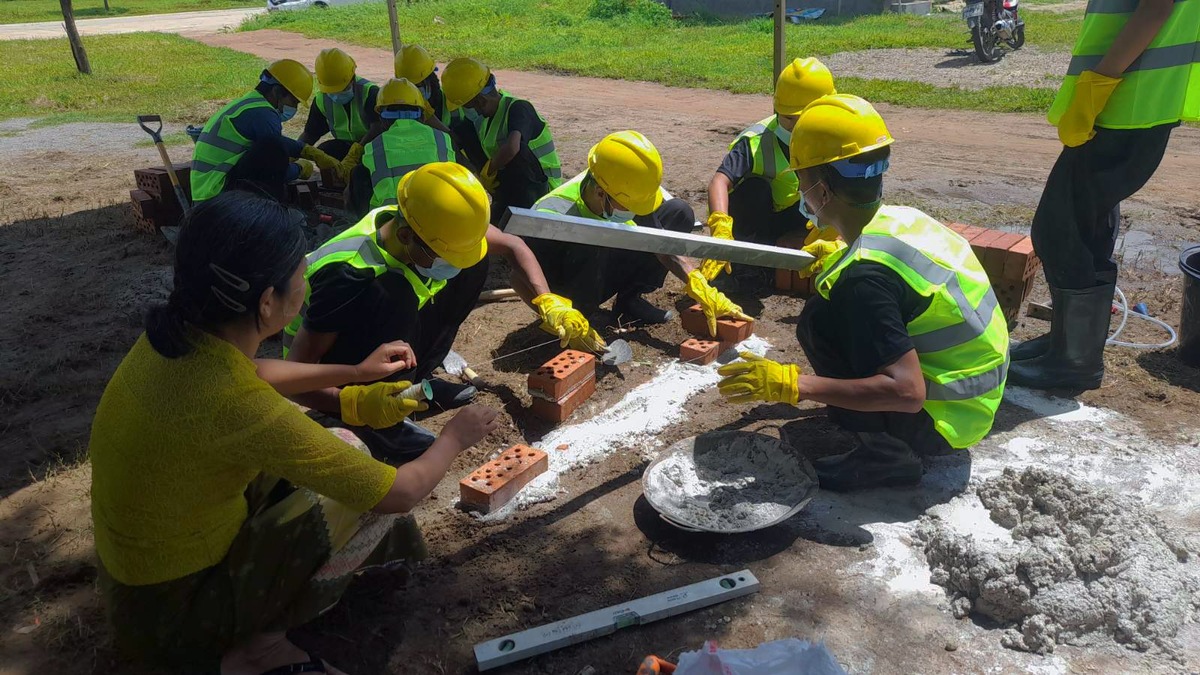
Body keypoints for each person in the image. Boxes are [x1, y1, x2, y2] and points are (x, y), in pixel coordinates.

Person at [89, 191, 499, 674]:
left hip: (139, 582)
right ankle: (258, 650)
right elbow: (399, 493)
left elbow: (256, 373)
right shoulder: (234, 404)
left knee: (345, 444)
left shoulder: (174, 339)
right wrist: (455, 437)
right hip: (174, 618)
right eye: (300, 276)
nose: (305, 283)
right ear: (268, 302)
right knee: (362, 494)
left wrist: (355, 378)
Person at [717, 95, 1009, 491]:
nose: (799, 188)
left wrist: (794, 385)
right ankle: (889, 435)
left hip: (942, 421)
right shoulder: (905, 219)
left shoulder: (864, 281)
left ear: (821, 189)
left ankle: (889, 455)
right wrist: (843, 252)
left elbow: (908, 393)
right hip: (975, 400)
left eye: (801, 178)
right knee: (832, 307)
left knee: (821, 321)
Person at [285, 162, 604, 460]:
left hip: (385, 325)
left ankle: (416, 386)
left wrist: (549, 303)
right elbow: (293, 376)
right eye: (445, 256)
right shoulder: (350, 274)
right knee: (395, 294)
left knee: (472, 265)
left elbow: (513, 245)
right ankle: (381, 423)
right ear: (406, 236)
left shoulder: (429, 225)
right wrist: (353, 404)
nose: (451, 263)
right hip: (335, 360)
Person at [1007, 0, 1197, 390]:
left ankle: (1073, 362)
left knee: (1059, 230)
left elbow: (1155, 8)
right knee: (1087, 226)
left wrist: (1100, 82)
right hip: (1138, 101)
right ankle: (1068, 345)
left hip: (1126, 100)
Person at [530, 130, 751, 332]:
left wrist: (699, 285)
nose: (635, 211)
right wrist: (551, 307)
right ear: (600, 193)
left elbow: (659, 242)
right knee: (591, 237)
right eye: (630, 206)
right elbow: (520, 273)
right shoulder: (552, 213)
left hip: (603, 267)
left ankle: (629, 301)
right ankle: (580, 317)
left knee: (678, 213)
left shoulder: (623, 185)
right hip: (565, 288)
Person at [699, 58, 838, 282]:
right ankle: (747, 263)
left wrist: (834, 233)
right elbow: (719, 182)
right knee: (755, 189)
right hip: (758, 219)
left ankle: (801, 245)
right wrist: (720, 227)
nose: (796, 126)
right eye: (789, 118)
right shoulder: (757, 141)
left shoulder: (834, 135)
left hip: (799, 214)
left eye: (805, 118)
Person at [191, 59, 348, 203]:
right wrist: (299, 168)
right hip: (219, 194)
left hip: (206, 191)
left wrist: (308, 151)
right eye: (294, 101)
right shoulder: (264, 114)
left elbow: (276, 144)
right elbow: (273, 169)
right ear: (277, 92)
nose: (294, 107)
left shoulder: (249, 104)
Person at [440, 57, 563, 220]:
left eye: (467, 106)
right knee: (464, 132)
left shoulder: (519, 108)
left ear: (481, 101)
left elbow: (513, 148)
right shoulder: (487, 121)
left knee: (516, 151)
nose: (467, 111)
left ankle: (518, 215)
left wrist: (488, 172)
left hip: (544, 192)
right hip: (518, 190)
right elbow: (455, 137)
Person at [348, 78, 455, 217]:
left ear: (382, 119)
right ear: (422, 116)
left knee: (358, 173)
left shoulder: (374, 147)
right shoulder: (443, 139)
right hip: (442, 217)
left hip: (395, 222)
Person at [297, 47, 379, 166]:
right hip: (345, 146)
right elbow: (310, 134)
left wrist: (356, 153)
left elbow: (378, 128)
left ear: (352, 78)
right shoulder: (322, 100)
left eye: (342, 89)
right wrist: (294, 153)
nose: (336, 94)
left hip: (373, 146)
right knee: (325, 152)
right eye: (331, 91)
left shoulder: (370, 93)